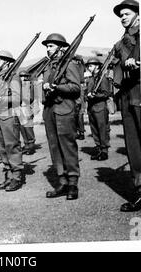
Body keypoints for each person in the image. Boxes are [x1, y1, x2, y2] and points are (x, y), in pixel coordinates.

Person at [41, 33, 81, 200]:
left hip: (64, 109)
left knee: (68, 147)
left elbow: (75, 87)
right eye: (47, 46)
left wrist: (57, 87)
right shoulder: (48, 66)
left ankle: (73, 183)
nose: (48, 49)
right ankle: (62, 181)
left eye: (51, 46)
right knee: (54, 147)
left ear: (60, 47)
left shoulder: (69, 64)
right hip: (50, 110)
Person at [111, 0, 141, 212]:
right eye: (120, 14)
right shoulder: (121, 42)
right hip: (127, 96)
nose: (123, 17)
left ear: (139, 15)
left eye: (127, 13)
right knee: (134, 148)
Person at [0, 49, 25, 192]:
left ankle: (16, 177)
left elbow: (17, 98)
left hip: (9, 116)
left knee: (12, 146)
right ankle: (8, 176)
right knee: (3, 147)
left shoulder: (13, 76)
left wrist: (1, 99)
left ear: (6, 62)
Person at [85, 57, 111, 160]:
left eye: (91, 66)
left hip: (100, 107)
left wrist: (94, 96)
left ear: (97, 66)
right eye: (88, 66)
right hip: (91, 108)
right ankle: (98, 148)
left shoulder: (102, 78)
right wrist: (88, 95)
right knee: (94, 130)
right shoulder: (91, 79)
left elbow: (106, 93)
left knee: (102, 129)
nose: (89, 68)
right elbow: (86, 93)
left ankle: (104, 151)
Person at [18, 70, 36, 155]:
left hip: (27, 108)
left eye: (24, 76)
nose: (22, 78)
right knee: (22, 128)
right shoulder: (19, 86)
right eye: (21, 76)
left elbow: (31, 98)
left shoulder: (29, 85)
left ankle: (31, 145)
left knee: (28, 128)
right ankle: (26, 145)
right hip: (20, 109)